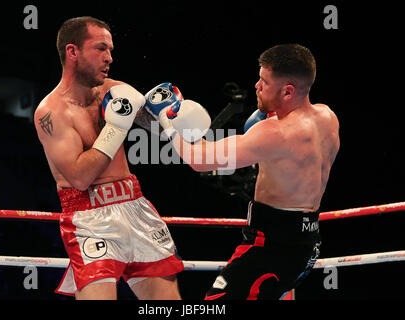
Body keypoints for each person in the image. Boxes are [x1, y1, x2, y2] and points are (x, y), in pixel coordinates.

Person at [146, 44, 340, 299]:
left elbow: (199, 160)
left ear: (287, 91)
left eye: (264, 81)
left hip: (270, 249)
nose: (257, 86)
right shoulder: (327, 116)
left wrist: (167, 120)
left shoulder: (275, 133)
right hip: (306, 244)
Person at [33, 16, 184, 300]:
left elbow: (163, 133)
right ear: (72, 51)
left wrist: (171, 114)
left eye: (111, 50)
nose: (109, 58)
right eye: (101, 49)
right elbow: (79, 177)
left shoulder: (115, 90)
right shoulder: (51, 113)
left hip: (135, 206)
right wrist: (116, 127)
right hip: (90, 218)